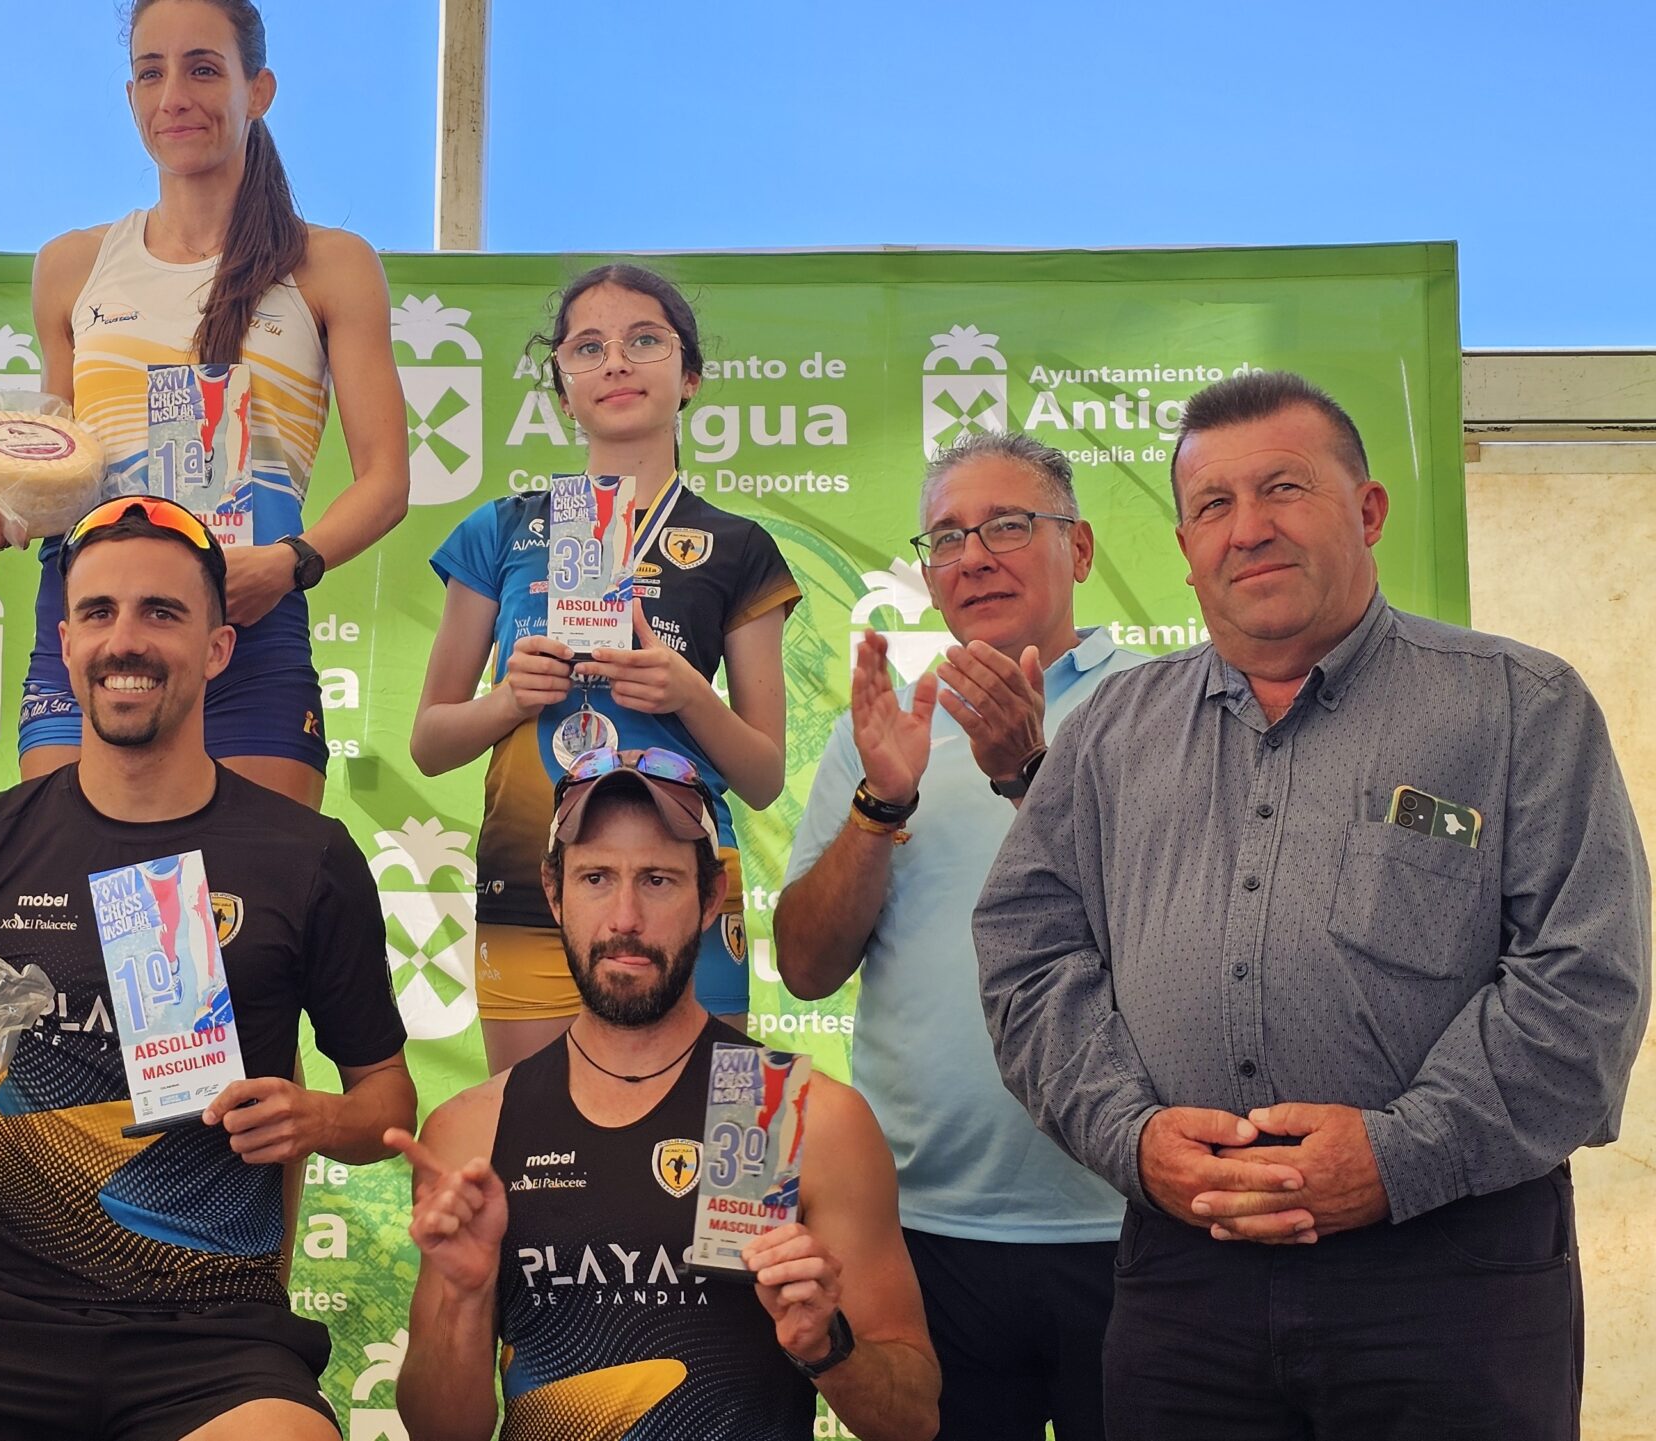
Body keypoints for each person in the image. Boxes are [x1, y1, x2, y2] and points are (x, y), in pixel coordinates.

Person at [975, 371, 1650, 1439]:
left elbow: (1586, 981)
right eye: (1213, 505)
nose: (1248, 528)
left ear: (1369, 510)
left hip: (1452, 1274)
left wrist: (1397, 1157)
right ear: (1186, 548)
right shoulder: (1111, 732)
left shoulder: (1520, 706)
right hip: (1185, 1279)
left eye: (1283, 488)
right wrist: (1129, 1136)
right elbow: (1029, 952)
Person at [0, 495, 415, 1441]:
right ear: (66, 643)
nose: (126, 640)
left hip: (214, 1332)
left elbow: (390, 1102)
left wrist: (320, 1118)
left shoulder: (307, 855)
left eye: (162, 611)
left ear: (217, 648)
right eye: (98, 612)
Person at [0, 0, 410, 810]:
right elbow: (63, 475)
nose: (175, 97)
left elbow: (386, 480)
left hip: (247, 618)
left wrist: (289, 563)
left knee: (254, 884)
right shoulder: (72, 265)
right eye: (151, 73)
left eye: (203, 69)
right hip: (95, 620)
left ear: (258, 90)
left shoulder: (329, 264)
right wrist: (6, 508)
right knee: (74, 879)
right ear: (130, 98)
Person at [390, 748, 940, 1441]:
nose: (625, 917)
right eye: (596, 877)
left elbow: (914, 1417)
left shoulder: (791, 1114)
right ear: (554, 894)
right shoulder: (474, 1132)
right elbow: (440, 1433)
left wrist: (828, 1346)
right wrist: (466, 1298)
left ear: (710, 898)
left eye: (657, 879)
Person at [773, 431, 1148, 1438]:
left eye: (1007, 526)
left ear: (1079, 548)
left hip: (1130, 1218)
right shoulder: (881, 731)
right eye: (946, 537)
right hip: (924, 1231)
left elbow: (1175, 940)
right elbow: (804, 967)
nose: (973, 556)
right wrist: (878, 806)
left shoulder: (1162, 709)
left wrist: (1027, 771)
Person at [413, 264, 797, 1072]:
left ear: (689, 377)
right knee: (535, 1133)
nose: (616, 361)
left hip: (685, 876)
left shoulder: (740, 547)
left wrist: (689, 694)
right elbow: (430, 742)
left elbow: (764, 776)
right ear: (562, 390)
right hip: (533, 875)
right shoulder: (500, 529)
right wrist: (509, 698)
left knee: (691, 1136)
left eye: (644, 340)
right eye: (588, 348)